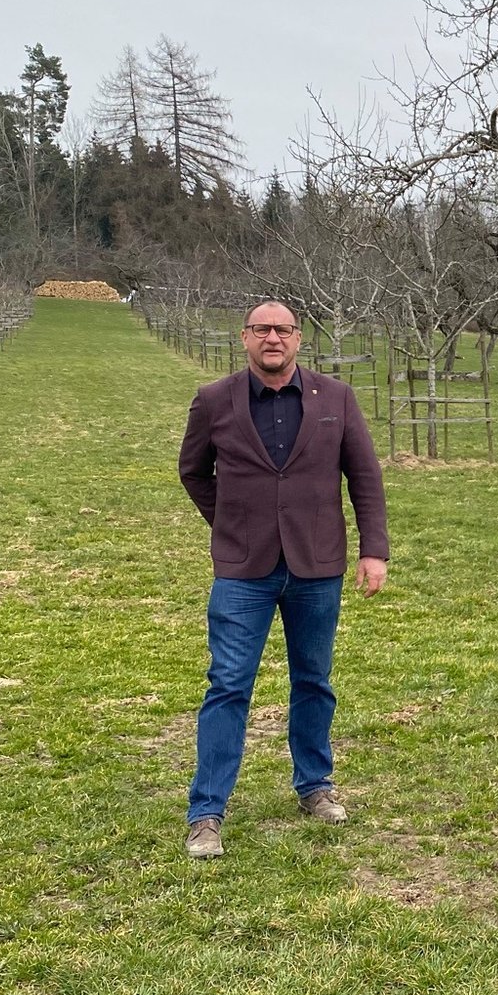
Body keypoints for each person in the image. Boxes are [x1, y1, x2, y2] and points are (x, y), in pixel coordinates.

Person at [177, 300, 389, 860]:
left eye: (283, 330)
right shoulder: (215, 400)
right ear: (245, 338)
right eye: (261, 329)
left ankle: (315, 786)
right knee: (227, 684)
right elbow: (193, 471)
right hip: (242, 570)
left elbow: (364, 476)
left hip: (316, 567)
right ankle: (206, 813)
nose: (273, 338)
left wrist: (375, 551)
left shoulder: (336, 399)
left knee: (314, 680)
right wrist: (230, 521)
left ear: (299, 339)